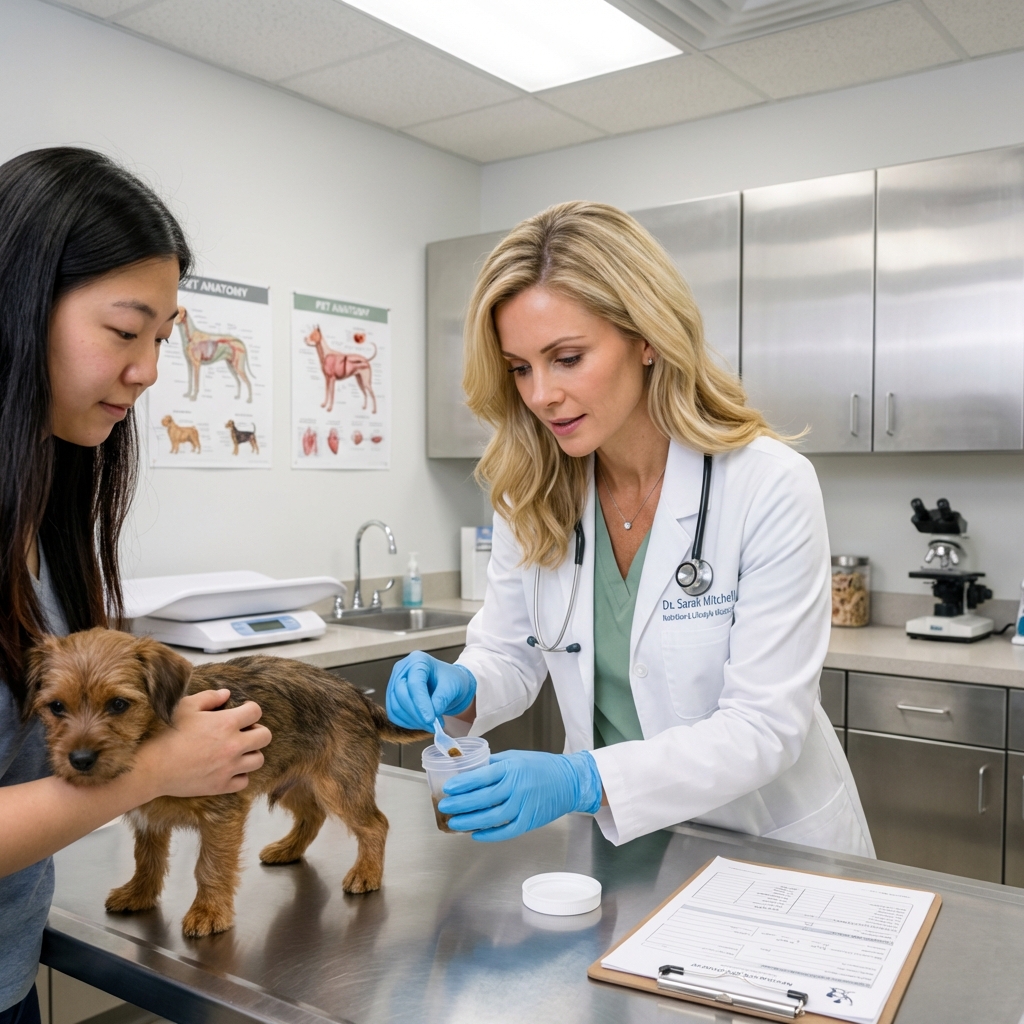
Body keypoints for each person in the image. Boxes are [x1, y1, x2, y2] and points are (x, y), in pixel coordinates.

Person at [387, 201, 873, 855]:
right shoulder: (528, 488)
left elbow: (764, 726)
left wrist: (584, 778)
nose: (540, 396)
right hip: (615, 842)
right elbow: (512, 651)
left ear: (646, 338)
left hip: (764, 844)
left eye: (567, 357)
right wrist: (467, 686)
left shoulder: (767, 484)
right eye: (520, 368)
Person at [0, 148, 272, 1024]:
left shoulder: (38, 516)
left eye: (163, 338)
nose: (151, 370)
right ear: (19, 303)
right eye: (126, 331)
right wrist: (153, 769)